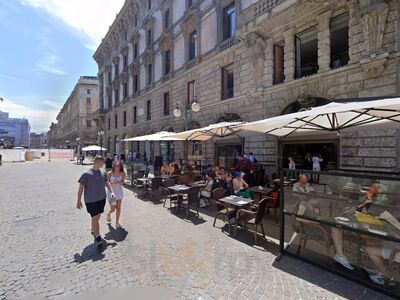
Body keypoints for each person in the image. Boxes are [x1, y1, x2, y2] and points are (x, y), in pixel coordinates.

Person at [296, 196, 354, 270]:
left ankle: (340, 254)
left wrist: (317, 215)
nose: (318, 202)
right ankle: (340, 255)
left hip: (316, 225)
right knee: (335, 228)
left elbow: (314, 217)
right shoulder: (303, 204)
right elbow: (298, 218)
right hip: (310, 228)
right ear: (312, 198)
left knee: (338, 228)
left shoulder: (313, 206)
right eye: (317, 200)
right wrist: (312, 221)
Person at [77, 155, 115, 247]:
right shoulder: (86, 174)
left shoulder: (103, 172)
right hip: (91, 200)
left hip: (101, 199)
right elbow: (81, 188)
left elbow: (106, 183)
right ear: (98, 162)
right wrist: (78, 200)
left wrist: (112, 192)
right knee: (95, 218)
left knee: (97, 217)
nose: (104, 164)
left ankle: (93, 229)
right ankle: (98, 237)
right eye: (103, 162)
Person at [106, 161, 125, 228]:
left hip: (119, 192)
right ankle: (109, 213)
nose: (117, 167)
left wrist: (116, 182)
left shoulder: (122, 173)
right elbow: (107, 183)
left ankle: (117, 223)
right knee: (113, 208)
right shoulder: (109, 173)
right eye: (116, 165)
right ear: (114, 166)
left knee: (118, 208)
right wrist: (110, 183)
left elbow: (123, 182)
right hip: (112, 194)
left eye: (119, 166)